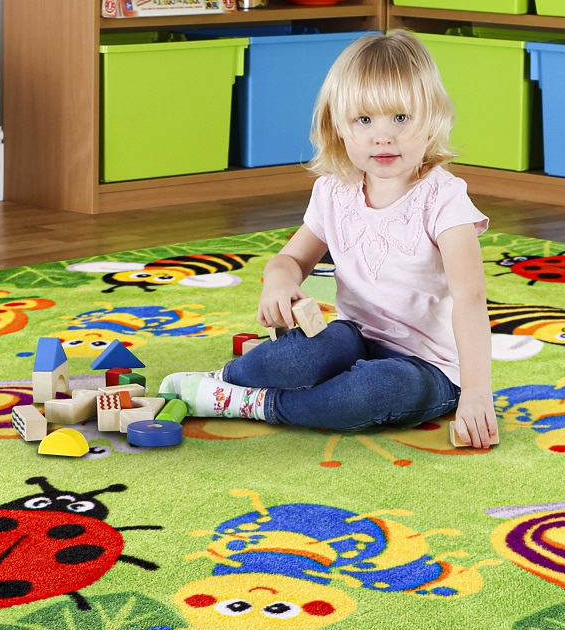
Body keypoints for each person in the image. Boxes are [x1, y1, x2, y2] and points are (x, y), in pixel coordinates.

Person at [159, 30, 498, 448]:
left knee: (374, 391)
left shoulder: (444, 199)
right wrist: (279, 282)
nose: (383, 136)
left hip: (431, 366)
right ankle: (226, 380)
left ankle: (258, 404)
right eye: (364, 120)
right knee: (300, 355)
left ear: (432, 118)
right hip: (356, 338)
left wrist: (477, 392)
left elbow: (470, 296)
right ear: (337, 126)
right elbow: (291, 260)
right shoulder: (335, 191)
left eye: (401, 118)